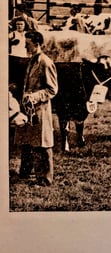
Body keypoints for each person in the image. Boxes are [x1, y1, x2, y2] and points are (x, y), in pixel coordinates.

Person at [14, 30, 58, 186]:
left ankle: (45, 179)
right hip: (27, 109)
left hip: (40, 109)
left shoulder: (45, 62)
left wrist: (34, 96)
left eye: (28, 44)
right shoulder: (32, 60)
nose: (25, 47)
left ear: (37, 44)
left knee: (42, 143)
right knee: (27, 141)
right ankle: (25, 172)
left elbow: (52, 89)